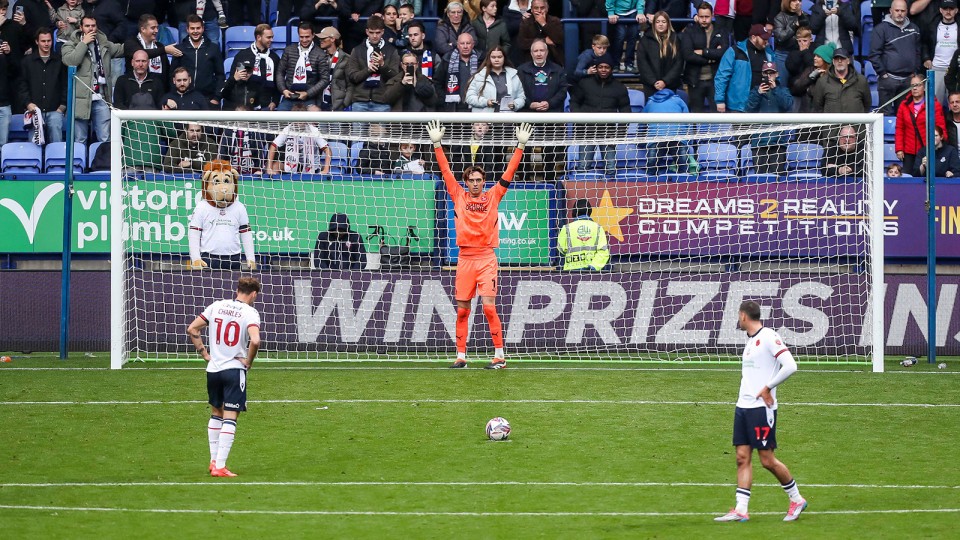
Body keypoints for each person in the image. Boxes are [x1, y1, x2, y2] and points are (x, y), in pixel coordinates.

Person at [427, 118, 533, 369]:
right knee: (462, 310)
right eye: (471, 180)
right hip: (464, 259)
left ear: (483, 181)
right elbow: (445, 171)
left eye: (478, 180)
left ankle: (499, 356)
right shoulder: (458, 194)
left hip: (486, 258)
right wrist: (438, 145)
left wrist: (520, 146)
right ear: (466, 182)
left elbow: (508, 174)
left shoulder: (493, 195)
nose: (475, 183)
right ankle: (461, 356)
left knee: (488, 308)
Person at [714, 300, 806, 523]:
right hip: (743, 407)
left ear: (744, 316)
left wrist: (768, 387)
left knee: (767, 460)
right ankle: (741, 509)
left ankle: (797, 499)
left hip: (761, 409)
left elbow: (791, 365)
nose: (738, 319)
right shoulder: (751, 341)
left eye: (739, 316)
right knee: (741, 457)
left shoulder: (768, 337)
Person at [186, 276, 262, 478]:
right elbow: (255, 340)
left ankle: (213, 461)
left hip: (213, 369)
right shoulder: (250, 312)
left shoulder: (217, 306)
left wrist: (204, 353)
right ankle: (220, 466)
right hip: (233, 370)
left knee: (216, 413)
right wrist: (249, 361)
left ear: (237, 290)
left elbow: (192, 328)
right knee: (230, 415)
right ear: (254, 294)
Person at [61, 15, 123, 144]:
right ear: (81, 28)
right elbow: (71, 61)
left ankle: (103, 164)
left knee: (105, 139)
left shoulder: (103, 44)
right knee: (79, 140)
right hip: (80, 100)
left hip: (101, 98)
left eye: (93, 26)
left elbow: (122, 49)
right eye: (87, 26)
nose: (90, 29)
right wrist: (84, 44)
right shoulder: (70, 44)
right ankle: (81, 165)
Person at [570, 53, 630, 171]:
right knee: (583, 167)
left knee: (611, 169)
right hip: (586, 132)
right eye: (600, 67)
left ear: (611, 69)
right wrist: (579, 122)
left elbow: (626, 112)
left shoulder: (619, 88)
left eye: (606, 67)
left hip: (609, 134)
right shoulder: (584, 83)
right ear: (596, 68)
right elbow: (574, 102)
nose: (603, 70)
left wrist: (619, 134)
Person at [870, 0, 922, 115]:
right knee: (884, 116)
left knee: (905, 116)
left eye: (903, 11)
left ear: (907, 12)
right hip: (888, 80)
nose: (900, 13)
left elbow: (918, 52)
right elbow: (874, 54)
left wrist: (915, 71)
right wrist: (883, 73)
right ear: (890, 11)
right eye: (897, 10)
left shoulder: (915, 29)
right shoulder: (880, 29)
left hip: (908, 80)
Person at [18, 27, 67, 144]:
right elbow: (22, 85)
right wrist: (28, 103)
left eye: (49, 41)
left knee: (56, 146)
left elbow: (66, 84)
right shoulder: (27, 62)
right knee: (33, 147)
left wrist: (62, 106)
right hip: (34, 111)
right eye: (43, 41)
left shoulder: (60, 61)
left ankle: (55, 163)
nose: (46, 44)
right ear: (37, 41)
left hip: (55, 110)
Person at [745, 62, 794, 175]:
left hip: (778, 142)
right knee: (760, 180)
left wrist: (775, 89)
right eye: (766, 73)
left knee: (778, 179)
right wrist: (758, 93)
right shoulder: (755, 91)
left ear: (776, 74)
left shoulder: (783, 90)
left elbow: (788, 105)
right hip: (759, 142)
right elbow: (748, 109)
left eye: (771, 73)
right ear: (762, 74)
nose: (769, 76)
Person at [344, 15, 400, 116]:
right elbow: (352, 77)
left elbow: (395, 77)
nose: (374, 36)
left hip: (382, 102)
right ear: (366, 32)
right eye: (371, 32)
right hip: (360, 102)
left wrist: (383, 65)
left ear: (383, 32)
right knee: (358, 133)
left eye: (378, 33)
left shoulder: (392, 51)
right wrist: (368, 70)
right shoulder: (357, 50)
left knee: (380, 133)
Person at [681, 2, 730, 113]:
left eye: (706, 17)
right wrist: (712, 57)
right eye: (701, 16)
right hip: (695, 80)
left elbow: (724, 53)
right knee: (695, 115)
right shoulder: (690, 31)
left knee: (717, 116)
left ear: (712, 15)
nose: (704, 20)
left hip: (715, 81)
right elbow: (688, 55)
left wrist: (703, 52)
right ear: (697, 16)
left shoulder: (721, 31)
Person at [715, 24, 774, 113]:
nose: (767, 42)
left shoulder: (769, 52)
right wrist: (720, 100)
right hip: (739, 106)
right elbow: (722, 76)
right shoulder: (735, 51)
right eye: (764, 39)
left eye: (767, 39)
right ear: (754, 37)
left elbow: (775, 75)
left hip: (762, 105)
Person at [895, 73, 946, 173]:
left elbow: (940, 127)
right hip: (908, 151)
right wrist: (899, 148)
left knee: (925, 179)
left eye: (918, 85)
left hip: (927, 149)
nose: (914, 88)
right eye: (912, 85)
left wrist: (940, 146)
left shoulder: (934, 105)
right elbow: (899, 128)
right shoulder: (904, 105)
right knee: (909, 181)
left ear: (924, 86)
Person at [222, 23, 281, 111]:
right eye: (268, 37)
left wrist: (275, 102)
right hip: (246, 105)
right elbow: (236, 81)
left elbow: (277, 84)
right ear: (258, 37)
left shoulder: (274, 58)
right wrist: (238, 78)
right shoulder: (243, 56)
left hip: (266, 106)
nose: (271, 40)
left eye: (272, 37)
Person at [170, 14, 224, 109]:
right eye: (192, 28)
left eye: (198, 28)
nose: (195, 31)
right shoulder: (179, 49)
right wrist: (174, 97)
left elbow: (220, 75)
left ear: (203, 29)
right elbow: (172, 75)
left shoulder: (213, 49)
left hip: (208, 99)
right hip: (183, 99)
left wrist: (216, 98)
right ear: (187, 29)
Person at [276, 21, 330, 111]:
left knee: (313, 121)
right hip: (289, 97)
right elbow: (280, 72)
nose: (304, 40)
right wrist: (283, 90)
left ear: (313, 35)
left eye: (307, 37)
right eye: (301, 37)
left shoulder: (320, 54)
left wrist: (308, 93)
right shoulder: (289, 50)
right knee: (278, 121)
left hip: (309, 98)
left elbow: (325, 79)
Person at [266, 106, 332, 175]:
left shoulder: (313, 130)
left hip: (310, 164)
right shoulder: (287, 129)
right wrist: (269, 168)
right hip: (292, 162)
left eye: (301, 118)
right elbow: (273, 146)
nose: (299, 121)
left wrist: (326, 169)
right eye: (297, 118)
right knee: (275, 167)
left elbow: (328, 150)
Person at [124, 14, 178, 93]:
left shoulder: (160, 46)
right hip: (138, 93)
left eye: (157, 27)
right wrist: (164, 50)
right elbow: (142, 53)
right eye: (153, 28)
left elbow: (167, 73)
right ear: (143, 29)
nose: (156, 31)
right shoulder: (131, 43)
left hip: (160, 92)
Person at [637, 10, 684, 99]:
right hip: (650, 86)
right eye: (658, 22)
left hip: (670, 85)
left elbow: (679, 63)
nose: (660, 24)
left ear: (668, 24)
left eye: (663, 22)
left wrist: (665, 81)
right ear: (654, 24)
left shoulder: (675, 39)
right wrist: (653, 82)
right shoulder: (645, 40)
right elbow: (642, 63)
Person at [810, 47, 872, 114]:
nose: (839, 61)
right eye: (836, 59)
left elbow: (867, 105)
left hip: (855, 124)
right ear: (833, 62)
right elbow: (818, 107)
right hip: (831, 124)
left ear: (848, 61)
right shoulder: (822, 82)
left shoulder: (861, 80)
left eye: (842, 58)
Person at [465, 46, 526, 113]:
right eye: (493, 57)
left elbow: (521, 97)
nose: (496, 60)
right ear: (489, 59)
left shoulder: (513, 75)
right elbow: (469, 97)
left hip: (507, 120)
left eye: (499, 57)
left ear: (504, 58)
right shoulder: (479, 76)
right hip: (484, 120)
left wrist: (515, 104)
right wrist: (486, 102)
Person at [921, 0, 960, 104]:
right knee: (934, 104)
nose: (948, 11)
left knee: (955, 104)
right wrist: (926, 58)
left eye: (951, 9)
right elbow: (924, 43)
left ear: (956, 10)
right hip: (936, 69)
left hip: (955, 72)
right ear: (940, 10)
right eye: (945, 8)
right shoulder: (932, 26)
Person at [557, 199, 610, 271]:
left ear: (574, 212)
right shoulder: (598, 228)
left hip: (570, 272)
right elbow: (603, 252)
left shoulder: (566, 228)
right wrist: (593, 267)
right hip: (591, 274)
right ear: (590, 211)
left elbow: (561, 250)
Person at [435, 32, 481, 112]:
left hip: (475, 106)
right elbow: (437, 82)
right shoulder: (447, 60)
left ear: (473, 45)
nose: (465, 46)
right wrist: (444, 98)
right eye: (462, 43)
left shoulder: (481, 60)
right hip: (453, 107)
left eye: (468, 43)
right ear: (458, 45)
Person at [518, 38, 568, 113]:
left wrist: (549, 103)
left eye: (542, 50)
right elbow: (517, 91)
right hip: (528, 113)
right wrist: (529, 104)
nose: (539, 54)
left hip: (552, 113)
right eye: (535, 51)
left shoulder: (558, 70)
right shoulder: (521, 70)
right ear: (531, 53)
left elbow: (563, 91)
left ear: (547, 52)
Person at [518, 0, 564, 66]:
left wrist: (543, 24)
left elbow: (559, 39)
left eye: (542, 8)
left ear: (547, 9)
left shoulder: (555, 21)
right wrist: (544, 40)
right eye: (536, 8)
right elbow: (522, 42)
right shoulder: (526, 23)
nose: (539, 11)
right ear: (532, 10)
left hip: (553, 60)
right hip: (530, 61)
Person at [772, 0, 809, 80]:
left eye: (799, 0)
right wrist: (794, 25)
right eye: (794, 0)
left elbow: (808, 29)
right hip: (783, 54)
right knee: (783, 84)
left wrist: (800, 14)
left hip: (799, 53)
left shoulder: (803, 15)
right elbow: (780, 37)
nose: (797, 2)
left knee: (799, 83)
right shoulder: (779, 17)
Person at [606, 0, 646, 73]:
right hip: (618, 12)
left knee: (633, 35)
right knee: (620, 36)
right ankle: (615, 64)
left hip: (633, 11)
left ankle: (629, 64)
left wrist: (640, 12)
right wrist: (610, 12)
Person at [317, 26, 350, 111]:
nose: (320, 40)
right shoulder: (318, 57)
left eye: (323, 38)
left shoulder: (346, 59)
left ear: (332, 39)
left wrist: (344, 103)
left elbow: (351, 85)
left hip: (338, 105)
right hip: (321, 104)